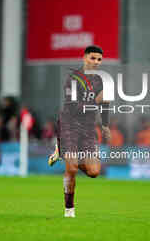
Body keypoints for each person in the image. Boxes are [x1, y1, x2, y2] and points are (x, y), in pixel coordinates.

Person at [48, 45, 111, 217]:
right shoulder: (73, 79)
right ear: (84, 58)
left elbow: (105, 103)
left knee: (94, 172)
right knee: (72, 168)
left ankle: (63, 152)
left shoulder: (100, 81)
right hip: (69, 124)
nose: (96, 62)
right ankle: (69, 209)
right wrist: (96, 101)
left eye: (99, 59)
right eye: (93, 58)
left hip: (88, 128)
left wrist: (105, 124)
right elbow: (74, 108)